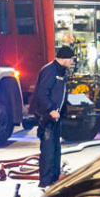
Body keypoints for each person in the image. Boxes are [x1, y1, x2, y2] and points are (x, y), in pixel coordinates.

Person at [33, 41, 71, 186]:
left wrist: (63, 110)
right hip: (47, 117)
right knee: (48, 150)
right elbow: (42, 93)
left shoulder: (61, 71)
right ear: (64, 59)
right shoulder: (50, 71)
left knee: (55, 149)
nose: (72, 62)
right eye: (71, 59)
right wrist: (50, 110)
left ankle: (54, 179)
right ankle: (46, 181)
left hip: (55, 118)